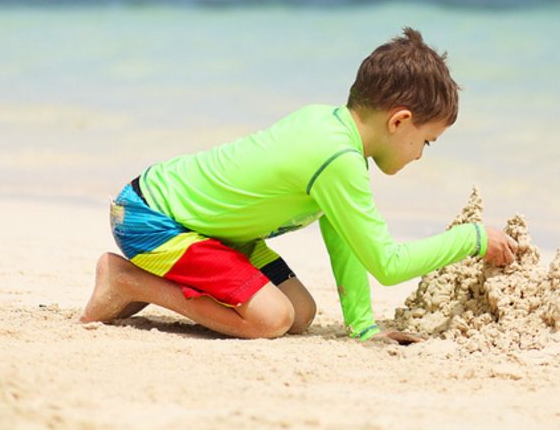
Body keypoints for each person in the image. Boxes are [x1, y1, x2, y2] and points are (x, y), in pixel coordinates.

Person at [80, 27, 516, 344]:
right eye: (426, 141)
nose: (421, 154)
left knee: (300, 314)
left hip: (216, 231)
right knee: (270, 318)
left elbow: (343, 236)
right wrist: (472, 238)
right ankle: (127, 279)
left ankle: (143, 288)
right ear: (400, 120)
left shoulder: (334, 132)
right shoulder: (335, 158)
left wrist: (362, 324)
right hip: (153, 218)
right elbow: (388, 263)